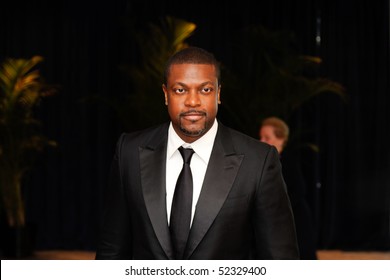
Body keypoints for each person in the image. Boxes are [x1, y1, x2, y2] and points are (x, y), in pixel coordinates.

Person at [95, 47, 299, 260]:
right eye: (181, 90)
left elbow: (281, 259)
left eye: (205, 90)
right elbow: (111, 249)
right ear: (166, 94)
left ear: (219, 94)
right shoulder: (129, 152)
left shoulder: (258, 161)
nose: (193, 102)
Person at [259, 117, 318, 260]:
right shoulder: (261, 163)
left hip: (295, 220)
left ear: (281, 139)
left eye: (267, 137)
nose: (261, 141)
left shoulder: (289, 162)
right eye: (261, 137)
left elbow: (298, 190)